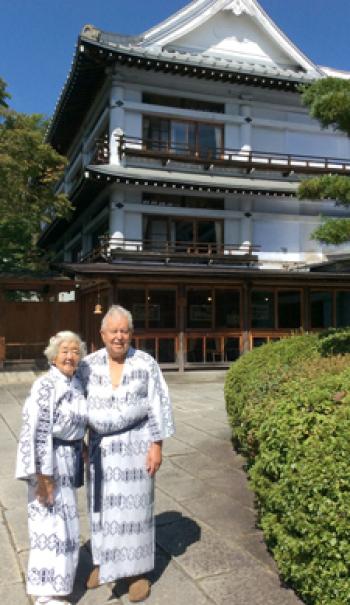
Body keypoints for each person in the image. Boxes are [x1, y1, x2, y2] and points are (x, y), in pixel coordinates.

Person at [79, 305, 175, 602]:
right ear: (102, 334)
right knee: (103, 510)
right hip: (100, 451)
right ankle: (104, 563)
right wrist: (77, 442)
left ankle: (137, 572)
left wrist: (157, 445)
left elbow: (159, 403)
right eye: (113, 331)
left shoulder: (146, 362)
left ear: (131, 334)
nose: (119, 337)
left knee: (135, 511)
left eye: (124, 331)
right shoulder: (87, 365)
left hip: (136, 446)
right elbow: (73, 404)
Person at [16, 331, 87, 605]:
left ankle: (61, 582)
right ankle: (46, 593)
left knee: (66, 525)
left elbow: (76, 423)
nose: (70, 356)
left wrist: (79, 444)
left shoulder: (76, 383)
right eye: (65, 351)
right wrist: (42, 476)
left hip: (68, 460)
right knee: (48, 526)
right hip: (49, 461)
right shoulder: (46, 385)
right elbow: (37, 431)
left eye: (75, 351)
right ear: (54, 356)